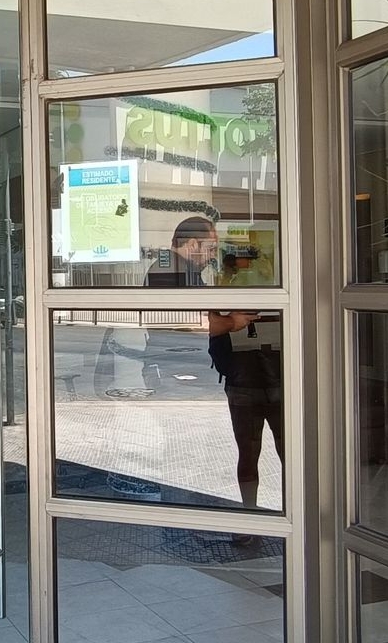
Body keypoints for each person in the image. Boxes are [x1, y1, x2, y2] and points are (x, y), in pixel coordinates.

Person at [149, 216, 283, 540]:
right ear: (192, 244)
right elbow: (187, 321)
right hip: (194, 376)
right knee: (228, 452)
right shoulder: (170, 271)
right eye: (209, 247)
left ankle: (237, 522)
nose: (212, 255)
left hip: (218, 375)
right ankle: (195, 524)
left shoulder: (184, 271)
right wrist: (232, 322)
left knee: (242, 451)